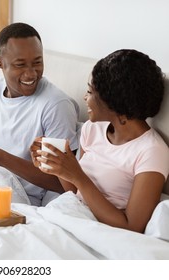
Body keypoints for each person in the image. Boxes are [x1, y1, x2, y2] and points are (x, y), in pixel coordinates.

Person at [31, 49, 169, 233]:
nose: (85, 98)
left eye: (90, 91)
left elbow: (133, 225)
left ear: (114, 101)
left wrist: (77, 175)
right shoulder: (92, 128)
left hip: (105, 232)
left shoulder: (151, 151)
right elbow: (74, 192)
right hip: (71, 216)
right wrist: (57, 165)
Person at [0, 22, 80, 206]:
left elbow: (65, 184)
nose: (31, 74)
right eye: (20, 65)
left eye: (37, 62)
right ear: (0, 63)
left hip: (20, 201)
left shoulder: (55, 105)